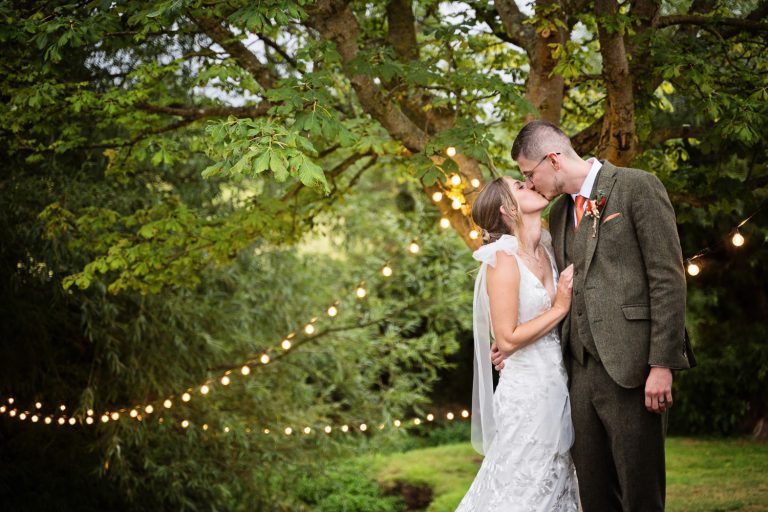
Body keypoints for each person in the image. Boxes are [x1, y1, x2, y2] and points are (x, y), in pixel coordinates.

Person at [493, 120, 695, 511]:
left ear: (552, 160)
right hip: (578, 375)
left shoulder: (637, 186)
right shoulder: (556, 216)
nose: (530, 184)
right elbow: (553, 291)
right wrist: (513, 340)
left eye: (528, 174)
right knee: (595, 495)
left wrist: (662, 363)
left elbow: (667, 279)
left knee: (641, 493)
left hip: (633, 367)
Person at [456, 175, 579, 511]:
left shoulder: (548, 248)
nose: (530, 186)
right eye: (520, 188)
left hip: (560, 384)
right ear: (506, 210)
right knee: (522, 489)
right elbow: (507, 338)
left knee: (556, 483)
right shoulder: (502, 260)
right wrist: (559, 307)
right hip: (526, 397)